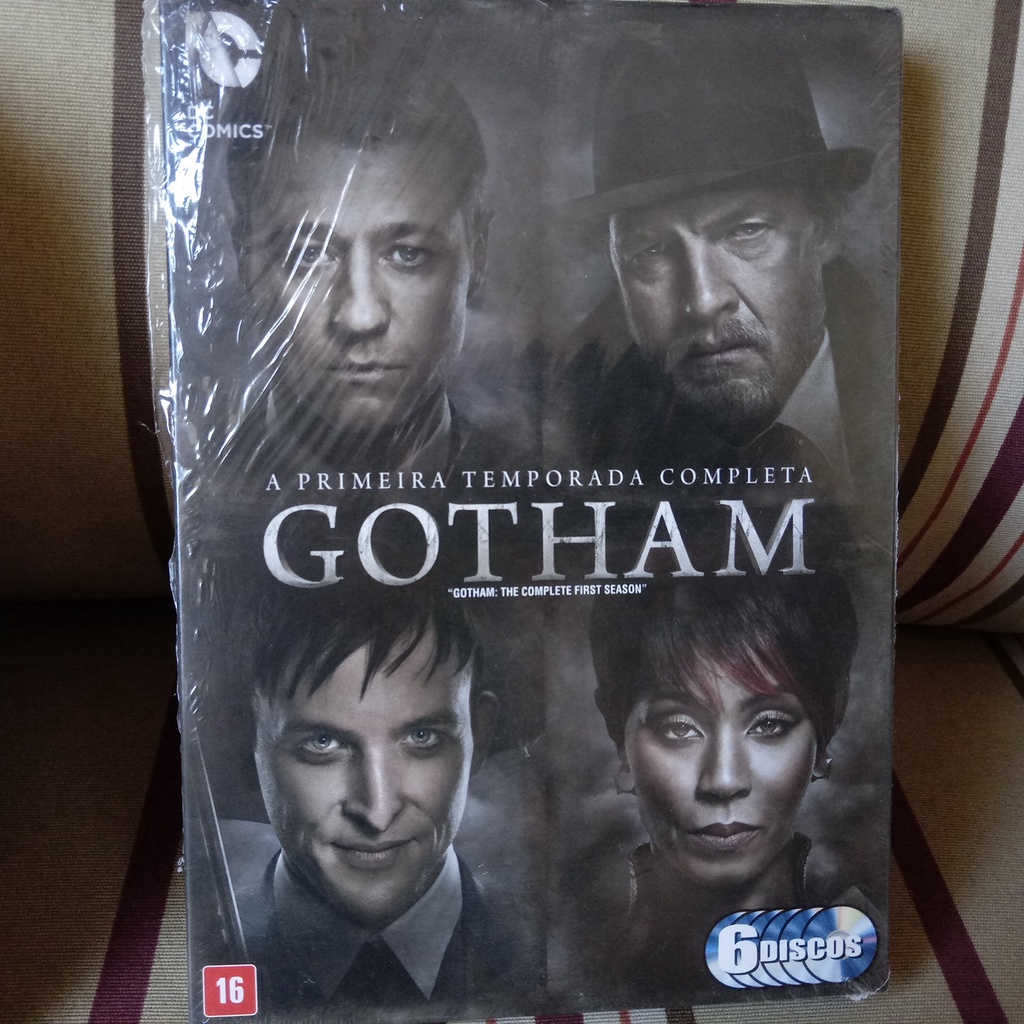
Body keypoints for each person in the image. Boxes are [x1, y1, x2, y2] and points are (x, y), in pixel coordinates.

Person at [562, 30, 882, 493]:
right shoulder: (582, 439)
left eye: (746, 231)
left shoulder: (903, 381)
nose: (704, 300)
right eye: (651, 251)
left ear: (825, 230)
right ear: (615, 264)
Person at [210, 588, 540, 1016]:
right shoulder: (213, 944)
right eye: (322, 743)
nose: (378, 813)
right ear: (247, 740)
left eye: (422, 737)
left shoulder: (552, 951)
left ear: (480, 733)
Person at [209, 37, 492, 477]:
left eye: (408, 254)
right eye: (308, 255)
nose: (361, 317)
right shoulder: (194, 485)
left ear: (478, 252)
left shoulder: (555, 492)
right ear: (245, 260)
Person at [589, 574, 873, 1002]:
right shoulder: (575, 962)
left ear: (826, 726)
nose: (723, 780)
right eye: (679, 727)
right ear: (617, 731)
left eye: (769, 724)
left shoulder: (864, 946)